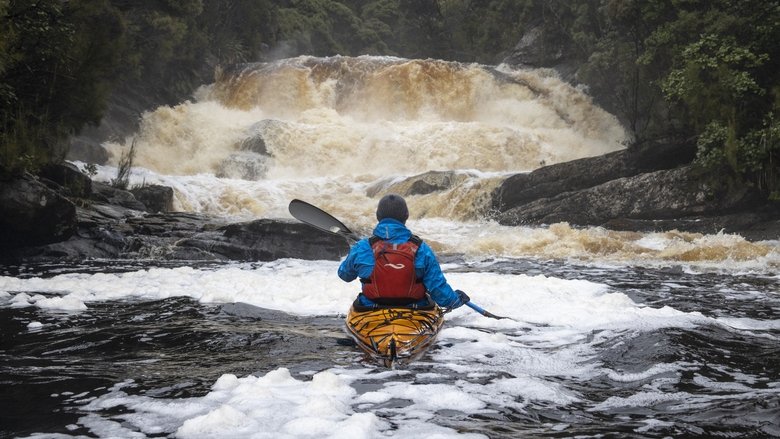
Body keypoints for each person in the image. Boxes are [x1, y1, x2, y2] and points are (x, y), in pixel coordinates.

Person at [338, 194, 470, 310]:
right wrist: (456, 299)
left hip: (370, 307)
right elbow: (441, 294)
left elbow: (344, 275)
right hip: (416, 309)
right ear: (406, 216)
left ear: (378, 216)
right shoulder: (421, 249)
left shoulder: (361, 247)